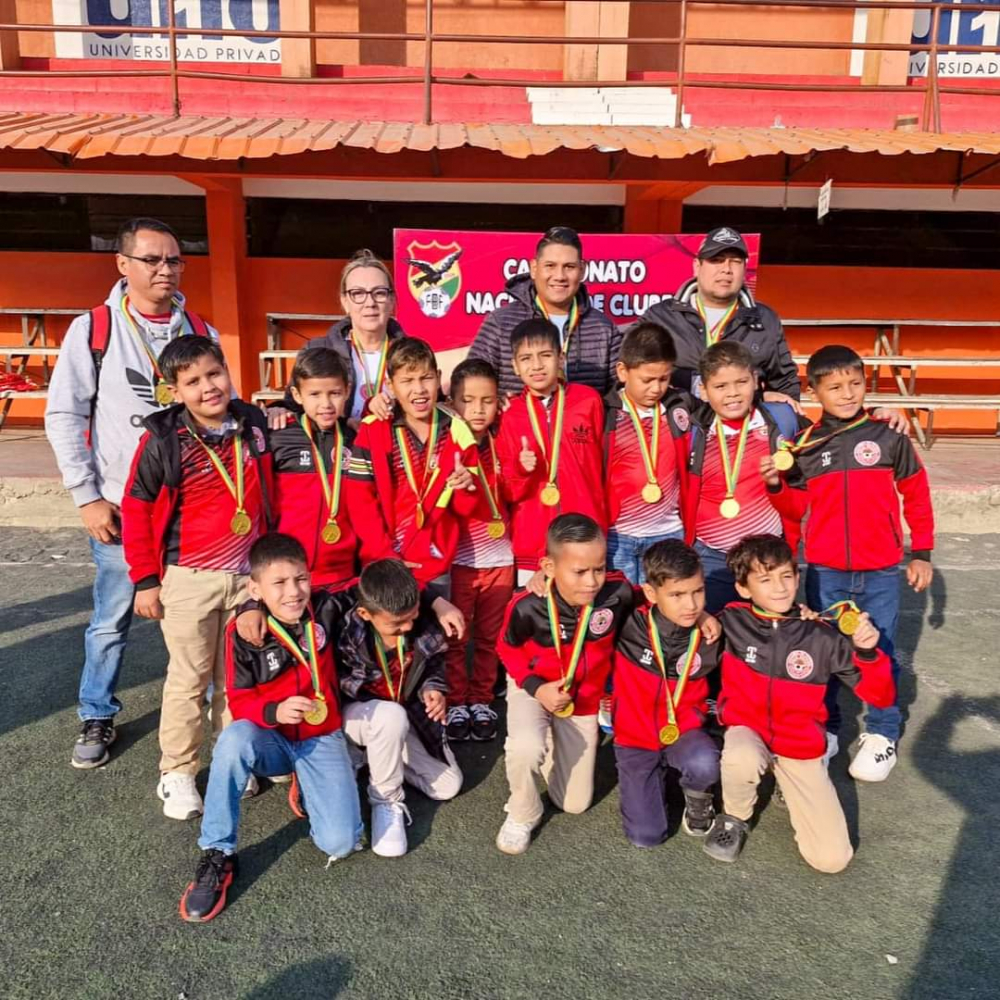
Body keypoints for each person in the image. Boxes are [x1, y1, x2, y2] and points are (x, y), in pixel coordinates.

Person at [44, 216, 216, 769]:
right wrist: (86, 495)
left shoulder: (201, 330)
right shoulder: (94, 329)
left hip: (190, 510)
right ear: (123, 265)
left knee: (200, 618)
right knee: (112, 617)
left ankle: (217, 720)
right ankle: (97, 711)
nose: (165, 269)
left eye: (174, 260)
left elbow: (215, 412)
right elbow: (64, 412)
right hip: (122, 506)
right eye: (152, 260)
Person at [762, 345, 934, 782]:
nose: (847, 393)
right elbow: (795, 511)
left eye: (855, 384)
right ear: (814, 391)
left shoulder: (888, 436)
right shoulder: (803, 446)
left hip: (879, 571)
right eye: (835, 387)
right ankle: (829, 729)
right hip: (825, 571)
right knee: (827, 653)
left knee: (881, 649)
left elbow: (915, 493)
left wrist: (922, 553)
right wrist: (776, 486)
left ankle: (882, 731)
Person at [121, 336, 273, 820]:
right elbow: (137, 509)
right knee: (188, 679)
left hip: (247, 578)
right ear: (175, 391)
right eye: (193, 382)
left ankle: (232, 761)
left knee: (235, 680)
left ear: (227, 370)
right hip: (187, 578)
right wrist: (145, 579)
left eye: (214, 374)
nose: (208, 387)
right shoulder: (163, 440)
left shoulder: (254, 425)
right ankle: (178, 772)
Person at [179, 533, 363, 923]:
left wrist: (438, 598)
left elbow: (375, 580)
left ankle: (307, 785)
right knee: (233, 739)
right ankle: (217, 852)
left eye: (300, 579)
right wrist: (274, 710)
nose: (293, 592)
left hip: (320, 736)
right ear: (256, 588)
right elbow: (240, 700)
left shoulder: (327, 605)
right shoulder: (243, 631)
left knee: (340, 842)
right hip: (271, 739)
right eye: (279, 583)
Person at [704, 535, 894, 872]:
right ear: (744, 588)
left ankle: (785, 783)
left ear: (797, 576)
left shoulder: (823, 634)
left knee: (832, 860)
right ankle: (735, 817)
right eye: (765, 579)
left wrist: (867, 652)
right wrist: (704, 619)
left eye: (786, 576)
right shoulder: (731, 619)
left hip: (799, 745)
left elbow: (879, 696)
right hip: (748, 731)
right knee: (740, 755)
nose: (779, 588)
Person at [495, 514, 634, 855]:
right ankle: (522, 810)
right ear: (548, 566)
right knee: (526, 746)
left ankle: (549, 740)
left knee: (573, 803)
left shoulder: (618, 593)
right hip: (535, 687)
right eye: (580, 571)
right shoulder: (528, 603)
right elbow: (505, 648)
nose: (591, 582)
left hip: (582, 701)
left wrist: (702, 615)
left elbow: (658, 602)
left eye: (598, 569)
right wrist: (535, 687)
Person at [335, 558, 464, 858]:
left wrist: (433, 689)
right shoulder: (342, 624)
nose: (407, 627)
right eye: (396, 623)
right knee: (390, 717)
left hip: (401, 718)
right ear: (366, 613)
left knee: (448, 786)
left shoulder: (422, 623)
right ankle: (386, 801)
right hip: (355, 718)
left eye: (413, 616)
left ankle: (376, 759)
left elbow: (434, 665)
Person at [345, 337, 479, 589]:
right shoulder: (373, 431)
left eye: (426, 378)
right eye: (407, 381)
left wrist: (466, 487)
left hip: (435, 564)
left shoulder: (458, 432)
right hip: (383, 563)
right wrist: (384, 556)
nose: (419, 389)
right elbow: (360, 503)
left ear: (439, 378)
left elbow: (464, 509)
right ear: (390, 386)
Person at [612, 540, 721, 847]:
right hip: (635, 740)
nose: (691, 605)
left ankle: (697, 794)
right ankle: (657, 781)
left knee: (704, 762)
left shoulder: (712, 633)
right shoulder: (629, 621)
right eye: (676, 595)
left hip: (684, 732)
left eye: (697, 592)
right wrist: (545, 578)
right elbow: (591, 587)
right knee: (646, 837)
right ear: (650, 593)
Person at [682, 342, 800, 613]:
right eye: (721, 386)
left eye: (741, 382)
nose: (733, 393)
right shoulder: (692, 428)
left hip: (767, 559)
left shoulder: (782, 419)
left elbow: (830, 433)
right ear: (703, 390)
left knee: (771, 636)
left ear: (756, 381)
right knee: (713, 633)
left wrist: (877, 415)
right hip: (711, 555)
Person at [494, 318, 607, 587]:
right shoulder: (509, 415)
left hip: (585, 538)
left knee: (585, 620)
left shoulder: (588, 401)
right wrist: (521, 469)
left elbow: (604, 467)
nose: (536, 366)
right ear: (514, 366)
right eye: (526, 358)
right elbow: (506, 491)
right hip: (532, 546)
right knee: (537, 621)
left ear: (561, 357)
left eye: (545, 355)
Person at [638, 227, 800, 401]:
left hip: (741, 424)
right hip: (679, 422)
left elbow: (785, 384)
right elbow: (634, 375)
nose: (726, 269)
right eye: (716, 260)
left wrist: (772, 404)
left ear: (745, 269)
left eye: (735, 261)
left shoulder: (765, 320)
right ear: (697, 266)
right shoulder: (660, 317)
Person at [443, 358, 515, 743]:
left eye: (487, 401)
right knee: (457, 636)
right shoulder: (448, 446)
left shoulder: (504, 440)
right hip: (460, 561)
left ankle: (482, 698)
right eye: (468, 401)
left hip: (501, 557)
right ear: (453, 403)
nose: (478, 410)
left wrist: (524, 467)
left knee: (489, 638)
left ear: (498, 401)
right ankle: (456, 701)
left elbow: (515, 494)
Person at [467, 226, 622, 397]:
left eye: (569, 267)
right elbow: (472, 383)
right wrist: (496, 404)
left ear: (582, 270)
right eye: (550, 266)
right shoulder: (501, 322)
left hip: (582, 424)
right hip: (519, 423)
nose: (560, 276)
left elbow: (618, 393)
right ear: (534, 268)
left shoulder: (603, 328)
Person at [603, 321, 690, 585]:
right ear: (622, 371)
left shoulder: (682, 408)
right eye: (647, 380)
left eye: (664, 379)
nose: (656, 388)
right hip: (618, 536)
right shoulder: (605, 412)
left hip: (669, 533)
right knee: (621, 611)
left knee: (667, 612)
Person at [270, 347, 358, 588]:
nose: (326, 403)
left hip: (344, 574)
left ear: (347, 391)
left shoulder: (356, 439)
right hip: (287, 574)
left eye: (335, 393)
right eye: (315, 394)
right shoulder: (278, 436)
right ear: (297, 395)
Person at [305, 249, 405, 427]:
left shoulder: (411, 354)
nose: (370, 303)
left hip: (397, 450)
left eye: (379, 293)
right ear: (344, 301)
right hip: (341, 450)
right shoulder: (317, 351)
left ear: (392, 300)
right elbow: (296, 407)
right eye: (358, 293)